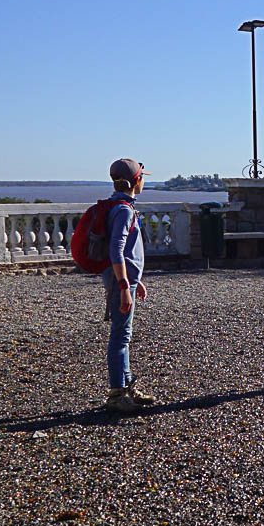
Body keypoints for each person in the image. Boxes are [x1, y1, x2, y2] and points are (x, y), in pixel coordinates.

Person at [102, 158, 157, 412]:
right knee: (120, 336)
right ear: (136, 181)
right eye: (143, 177)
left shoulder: (118, 206)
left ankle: (126, 387)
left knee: (124, 335)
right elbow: (117, 250)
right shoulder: (124, 210)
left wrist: (137, 281)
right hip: (120, 282)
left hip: (125, 281)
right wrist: (125, 286)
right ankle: (116, 394)